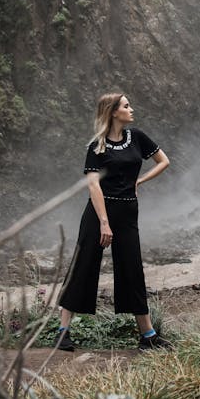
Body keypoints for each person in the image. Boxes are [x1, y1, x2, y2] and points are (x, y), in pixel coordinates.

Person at [55, 92, 170, 352]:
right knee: (82, 266)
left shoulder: (137, 137)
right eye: (126, 106)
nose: (131, 109)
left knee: (132, 269)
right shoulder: (97, 145)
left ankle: (148, 335)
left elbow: (164, 161)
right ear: (113, 112)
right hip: (99, 213)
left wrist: (140, 181)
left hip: (128, 212)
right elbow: (93, 185)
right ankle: (62, 333)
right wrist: (104, 223)